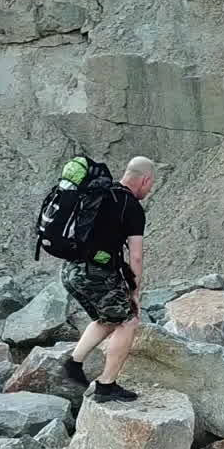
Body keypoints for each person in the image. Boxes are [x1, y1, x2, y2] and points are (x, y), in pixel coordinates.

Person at [61, 155, 154, 403]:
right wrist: (134, 292)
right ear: (144, 180)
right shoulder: (130, 206)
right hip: (95, 274)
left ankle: (74, 362)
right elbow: (135, 257)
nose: (149, 189)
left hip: (71, 270)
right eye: (150, 184)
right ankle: (106, 385)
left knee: (108, 316)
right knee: (128, 320)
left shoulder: (99, 193)